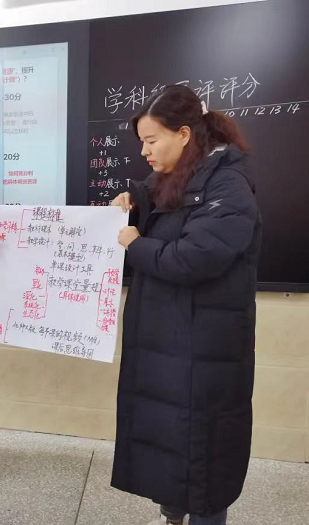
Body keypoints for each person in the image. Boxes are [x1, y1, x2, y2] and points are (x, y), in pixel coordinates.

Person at [110, 85, 262, 525]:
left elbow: (195, 257)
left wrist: (135, 244)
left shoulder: (228, 183)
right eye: (141, 142)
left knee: (204, 453)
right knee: (169, 441)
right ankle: (172, 516)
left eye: (151, 140)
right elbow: (162, 214)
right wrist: (131, 204)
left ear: (183, 134)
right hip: (170, 342)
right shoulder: (173, 176)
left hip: (205, 348)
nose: (144, 152)